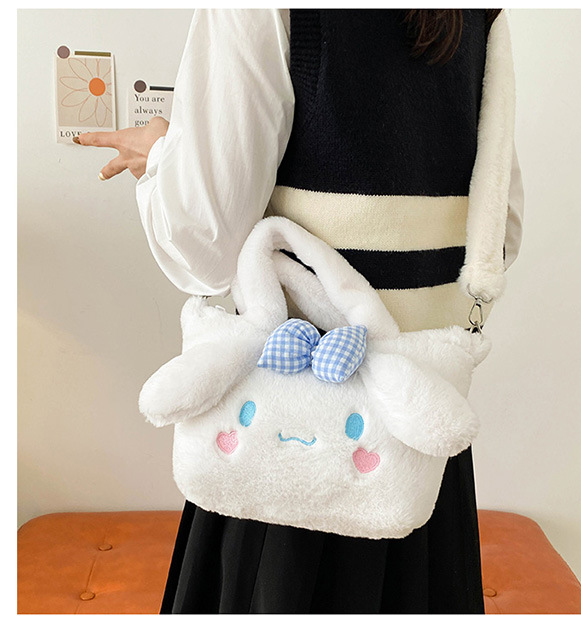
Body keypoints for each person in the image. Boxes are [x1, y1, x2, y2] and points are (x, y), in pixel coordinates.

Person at [75, 8, 524, 614]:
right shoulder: (479, 15)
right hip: (412, 443)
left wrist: (161, 154)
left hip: (275, 441)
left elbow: (207, 248)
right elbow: (499, 233)